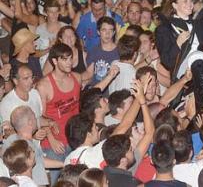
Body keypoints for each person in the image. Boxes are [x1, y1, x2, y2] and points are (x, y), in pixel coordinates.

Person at [155, 0, 203, 110]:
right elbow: (167, 61)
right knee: (197, 55)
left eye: (191, 1)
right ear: (175, 5)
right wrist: (177, 44)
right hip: (184, 71)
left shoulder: (201, 24)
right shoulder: (165, 29)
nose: (190, 4)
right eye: (185, 1)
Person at [37, 44, 82, 184]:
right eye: (64, 59)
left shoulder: (76, 78)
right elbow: (39, 116)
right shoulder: (44, 85)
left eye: (70, 58)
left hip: (73, 139)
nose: (69, 62)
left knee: (75, 181)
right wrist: (51, 139)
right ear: (55, 61)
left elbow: (76, 111)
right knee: (53, 182)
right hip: (53, 144)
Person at [3, 106, 63, 186]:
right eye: (35, 117)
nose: (37, 120)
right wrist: (64, 164)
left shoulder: (11, 140)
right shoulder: (27, 147)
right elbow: (41, 162)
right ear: (30, 122)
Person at [84, 16, 119, 86]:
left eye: (110, 30)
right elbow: (89, 74)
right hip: (97, 92)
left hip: (114, 93)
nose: (107, 34)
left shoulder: (120, 51)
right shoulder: (93, 51)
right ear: (98, 32)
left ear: (114, 32)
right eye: (104, 30)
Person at [36, 0, 66, 68]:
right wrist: (49, 49)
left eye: (56, 12)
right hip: (44, 67)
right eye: (51, 12)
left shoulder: (66, 28)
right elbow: (35, 53)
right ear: (45, 13)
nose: (54, 15)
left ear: (59, 12)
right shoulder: (39, 29)